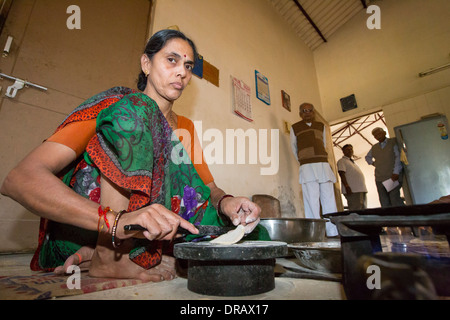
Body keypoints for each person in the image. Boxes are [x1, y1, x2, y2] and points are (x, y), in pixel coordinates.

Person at [1, 29, 268, 282]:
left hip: (155, 229)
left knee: (255, 233)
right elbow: (20, 179)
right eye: (171, 60)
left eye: (187, 67)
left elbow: (208, 189)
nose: (182, 72)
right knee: (141, 108)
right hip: (95, 225)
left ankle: (118, 251)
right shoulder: (121, 108)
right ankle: (108, 254)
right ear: (146, 63)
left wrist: (227, 203)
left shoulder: (185, 127)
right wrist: (117, 223)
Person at [290, 103, 338, 237]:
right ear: (300, 113)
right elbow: (294, 148)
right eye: (304, 111)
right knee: (311, 200)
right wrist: (304, 159)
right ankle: (316, 233)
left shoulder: (321, 126)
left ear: (314, 112)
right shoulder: (295, 128)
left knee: (329, 199)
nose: (307, 113)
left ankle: (333, 232)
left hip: (323, 165)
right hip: (307, 167)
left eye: (310, 110)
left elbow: (325, 145)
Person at [365, 127, 405, 207]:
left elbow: (398, 157)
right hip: (379, 178)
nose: (377, 136)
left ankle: (403, 217)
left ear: (384, 133)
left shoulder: (392, 142)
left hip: (392, 176)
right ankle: (390, 218)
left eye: (379, 133)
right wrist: (374, 164)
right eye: (375, 135)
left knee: (394, 199)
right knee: (384, 201)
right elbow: (367, 157)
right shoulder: (374, 147)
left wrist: (396, 172)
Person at [337, 144, 368, 210]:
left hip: (361, 189)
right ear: (343, 151)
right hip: (353, 190)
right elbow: (341, 173)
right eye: (347, 150)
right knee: (356, 209)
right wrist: (347, 186)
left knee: (363, 209)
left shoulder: (353, 162)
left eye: (351, 149)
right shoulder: (342, 161)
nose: (350, 151)